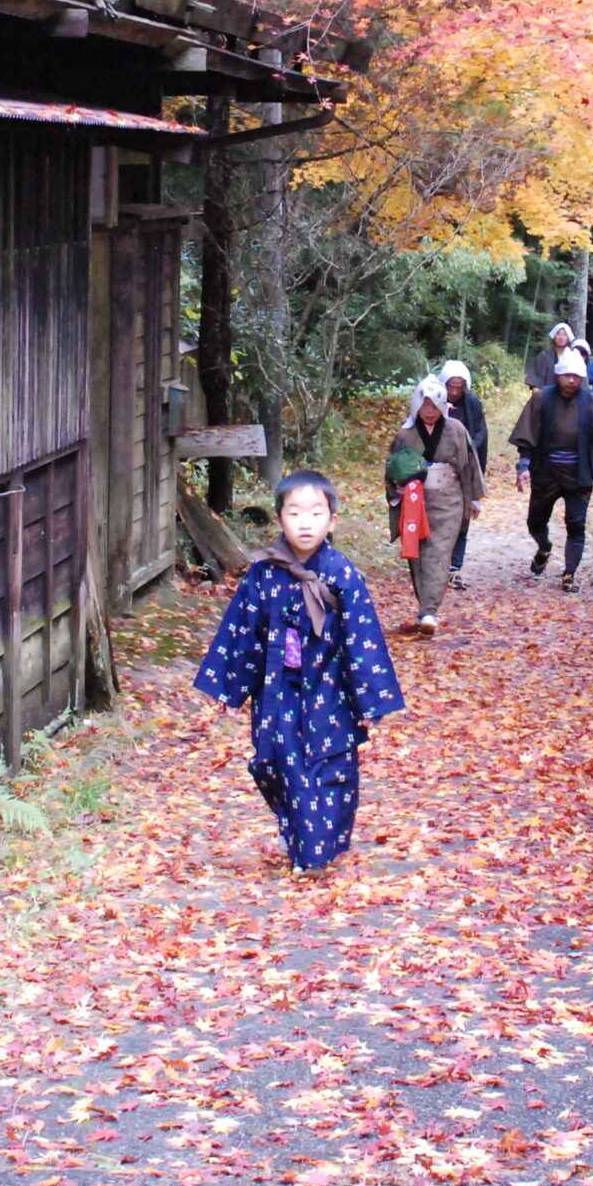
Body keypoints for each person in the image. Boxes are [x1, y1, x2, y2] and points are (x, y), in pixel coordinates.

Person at [196, 470, 405, 871]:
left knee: (328, 766)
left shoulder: (341, 573)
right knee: (276, 763)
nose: (305, 523)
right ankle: (297, 834)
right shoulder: (263, 574)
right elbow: (244, 632)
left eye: (315, 513)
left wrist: (369, 701)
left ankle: (313, 855)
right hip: (278, 689)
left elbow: (362, 638)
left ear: (332, 521)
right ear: (279, 519)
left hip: (330, 687)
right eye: (294, 513)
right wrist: (231, 689)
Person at [510, 348, 593, 589]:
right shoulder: (541, 399)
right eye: (567, 375)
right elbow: (528, 435)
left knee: (577, 524)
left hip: (579, 472)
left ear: (582, 377)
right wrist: (524, 466)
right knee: (535, 521)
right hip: (546, 470)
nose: (571, 380)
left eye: (576, 376)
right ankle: (544, 547)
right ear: (559, 374)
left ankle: (569, 574)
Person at [386, 375, 484, 634]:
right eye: (425, 405)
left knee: (439, 552)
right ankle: (424, 607)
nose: (430, 411)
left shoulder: (456, 429)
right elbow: (392, 469)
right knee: (417, 553)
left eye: (435, 405)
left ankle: (429, 611)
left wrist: (474, 498)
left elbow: (469, 465)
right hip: (415, 500)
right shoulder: (405, 434)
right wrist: (397, 489)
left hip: (448, 499)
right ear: (416, 405)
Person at [437, 359, 488, 589]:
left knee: (462, 518)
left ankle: (455, 568)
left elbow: (481, 432)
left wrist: (467, 450)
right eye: (451, 386)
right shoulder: (433, 400)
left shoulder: (472, 403)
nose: (455, 392)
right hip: (439, 467)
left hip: (466, 466)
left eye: (459, 387)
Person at [524, 322, 593, 396]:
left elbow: (581, 381)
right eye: (558, 334)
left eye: (564, 335)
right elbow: (535, 382)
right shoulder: (544, 356)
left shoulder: (575, 356)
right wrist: (538, 397)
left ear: (568, 337)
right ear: (554, 336)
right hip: (546, 398)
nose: (561, 337)